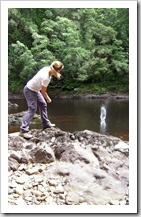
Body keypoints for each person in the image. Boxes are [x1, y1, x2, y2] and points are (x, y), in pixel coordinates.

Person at [19, 61, 64, 139]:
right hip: (29, 90)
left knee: (43, 104)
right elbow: (43, 92)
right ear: (58, 70)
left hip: (35, 90)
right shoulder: (46, 78)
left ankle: (45, 123)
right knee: (32, 109)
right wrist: (48, 98)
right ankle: (23, 130)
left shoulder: (46, 68)